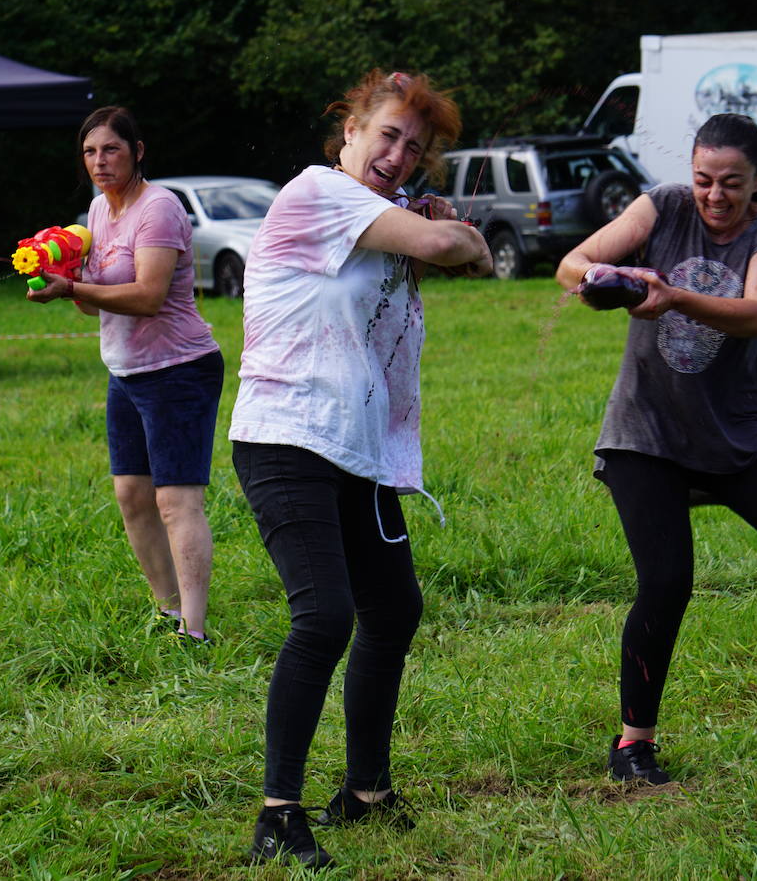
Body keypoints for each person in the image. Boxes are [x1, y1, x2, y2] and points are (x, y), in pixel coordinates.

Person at [229, 69, 492, 869]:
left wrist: (439, 230)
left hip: (357, 444)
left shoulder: (382, 215)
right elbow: (456, 250)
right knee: (325, 617)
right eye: (388, 134)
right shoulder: (316, 193)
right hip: (286, 437)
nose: (400, 153)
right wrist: (455, 232)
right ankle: (279, 814)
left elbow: (453, 258)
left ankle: (366, 791)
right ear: (348, 130)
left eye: (416, 147)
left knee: (395, 609)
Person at [555, 113, 757, 786]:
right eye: (704, 179)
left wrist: (673, 295)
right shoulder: (664, 205)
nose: (714, 195)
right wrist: (611, 284)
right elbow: (574, 264)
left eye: (731, 183)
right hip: (644, 435)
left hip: (735, 435)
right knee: (667, 582)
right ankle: (632, 746)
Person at [26, 106, 223, 643]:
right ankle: (167, 613)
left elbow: (148, 296)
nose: (99, 161)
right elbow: (96, 308)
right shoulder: (96, 211)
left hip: (180, 369)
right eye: (89, 152)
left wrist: (73, 288)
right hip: (127, 371)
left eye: (111, 149)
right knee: (132, 495)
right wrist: (61, 275)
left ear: (138, 151)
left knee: (175, 500)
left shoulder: (158, 209)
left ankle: (196, 630)